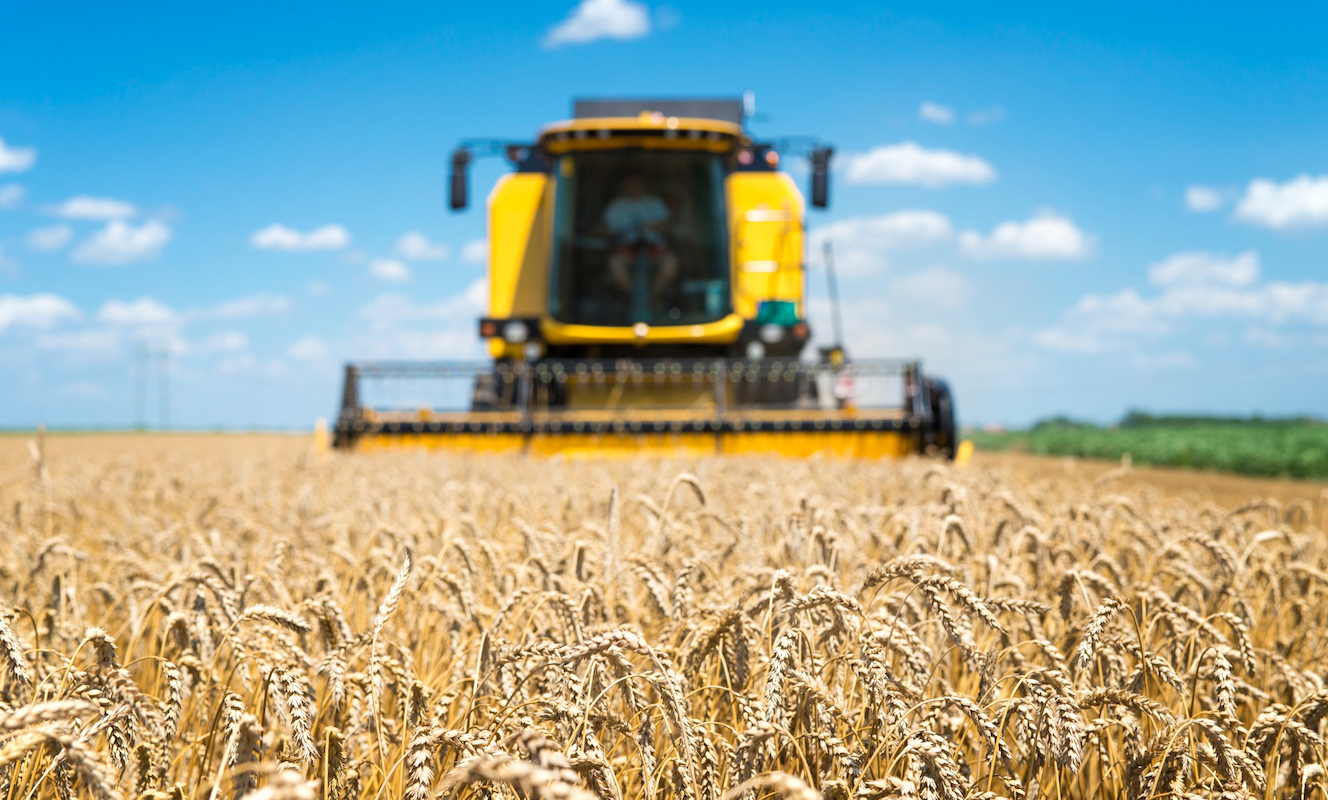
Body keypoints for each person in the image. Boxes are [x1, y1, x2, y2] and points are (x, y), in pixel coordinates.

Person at [600, 173, 678, 297]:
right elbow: (604, 227)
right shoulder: (616, 205)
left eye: (637, 184)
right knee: (615, 263)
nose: (634, 187)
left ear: (642, 185)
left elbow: (666, 225)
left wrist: (651, 226)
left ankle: (654, 295)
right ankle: (633, 295)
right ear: (625, 186)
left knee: (670, 263)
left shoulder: (654, 202)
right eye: (630, 185)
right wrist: (613, 231)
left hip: (653, 246)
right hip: (627, 247)